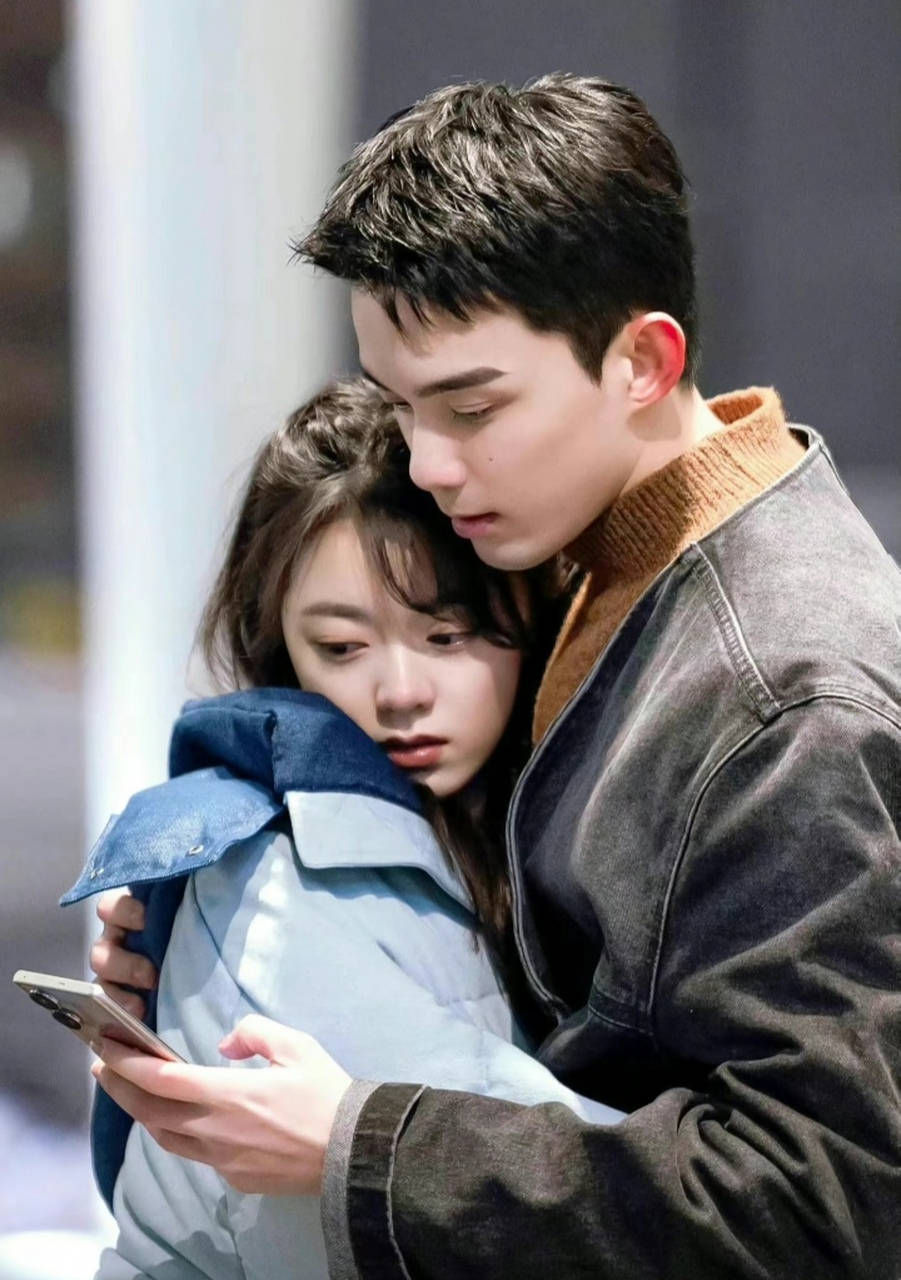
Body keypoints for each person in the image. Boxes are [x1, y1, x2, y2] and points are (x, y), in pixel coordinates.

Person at [91, 75, 901, 1279]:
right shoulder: (577, 557)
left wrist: (365, 1145)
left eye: (471, 407)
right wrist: (193, 926)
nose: (428, 463)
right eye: (402, 406)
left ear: (642, 360)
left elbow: (827, 1203)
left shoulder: (789, 697)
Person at [70, 377, 621, 1280]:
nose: (400, 693)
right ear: (277, 643)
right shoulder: (274, 881)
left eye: (447, 635)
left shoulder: (515, 827)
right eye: (341, 647)